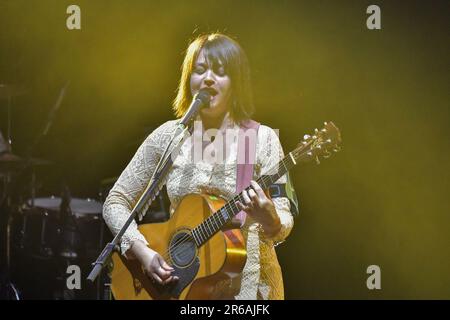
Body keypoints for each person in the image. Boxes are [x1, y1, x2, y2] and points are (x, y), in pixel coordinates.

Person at [103, 33, 296, 300]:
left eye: (220, 72)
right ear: (188, 79)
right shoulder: (169, 136)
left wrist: (270, 217)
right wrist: (142, 251)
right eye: (200, 70)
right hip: (184, 290)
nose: (207, 78)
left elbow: (285, 219)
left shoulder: (261, 139)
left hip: (249, 290)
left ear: (235, 83)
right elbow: (116, 200)